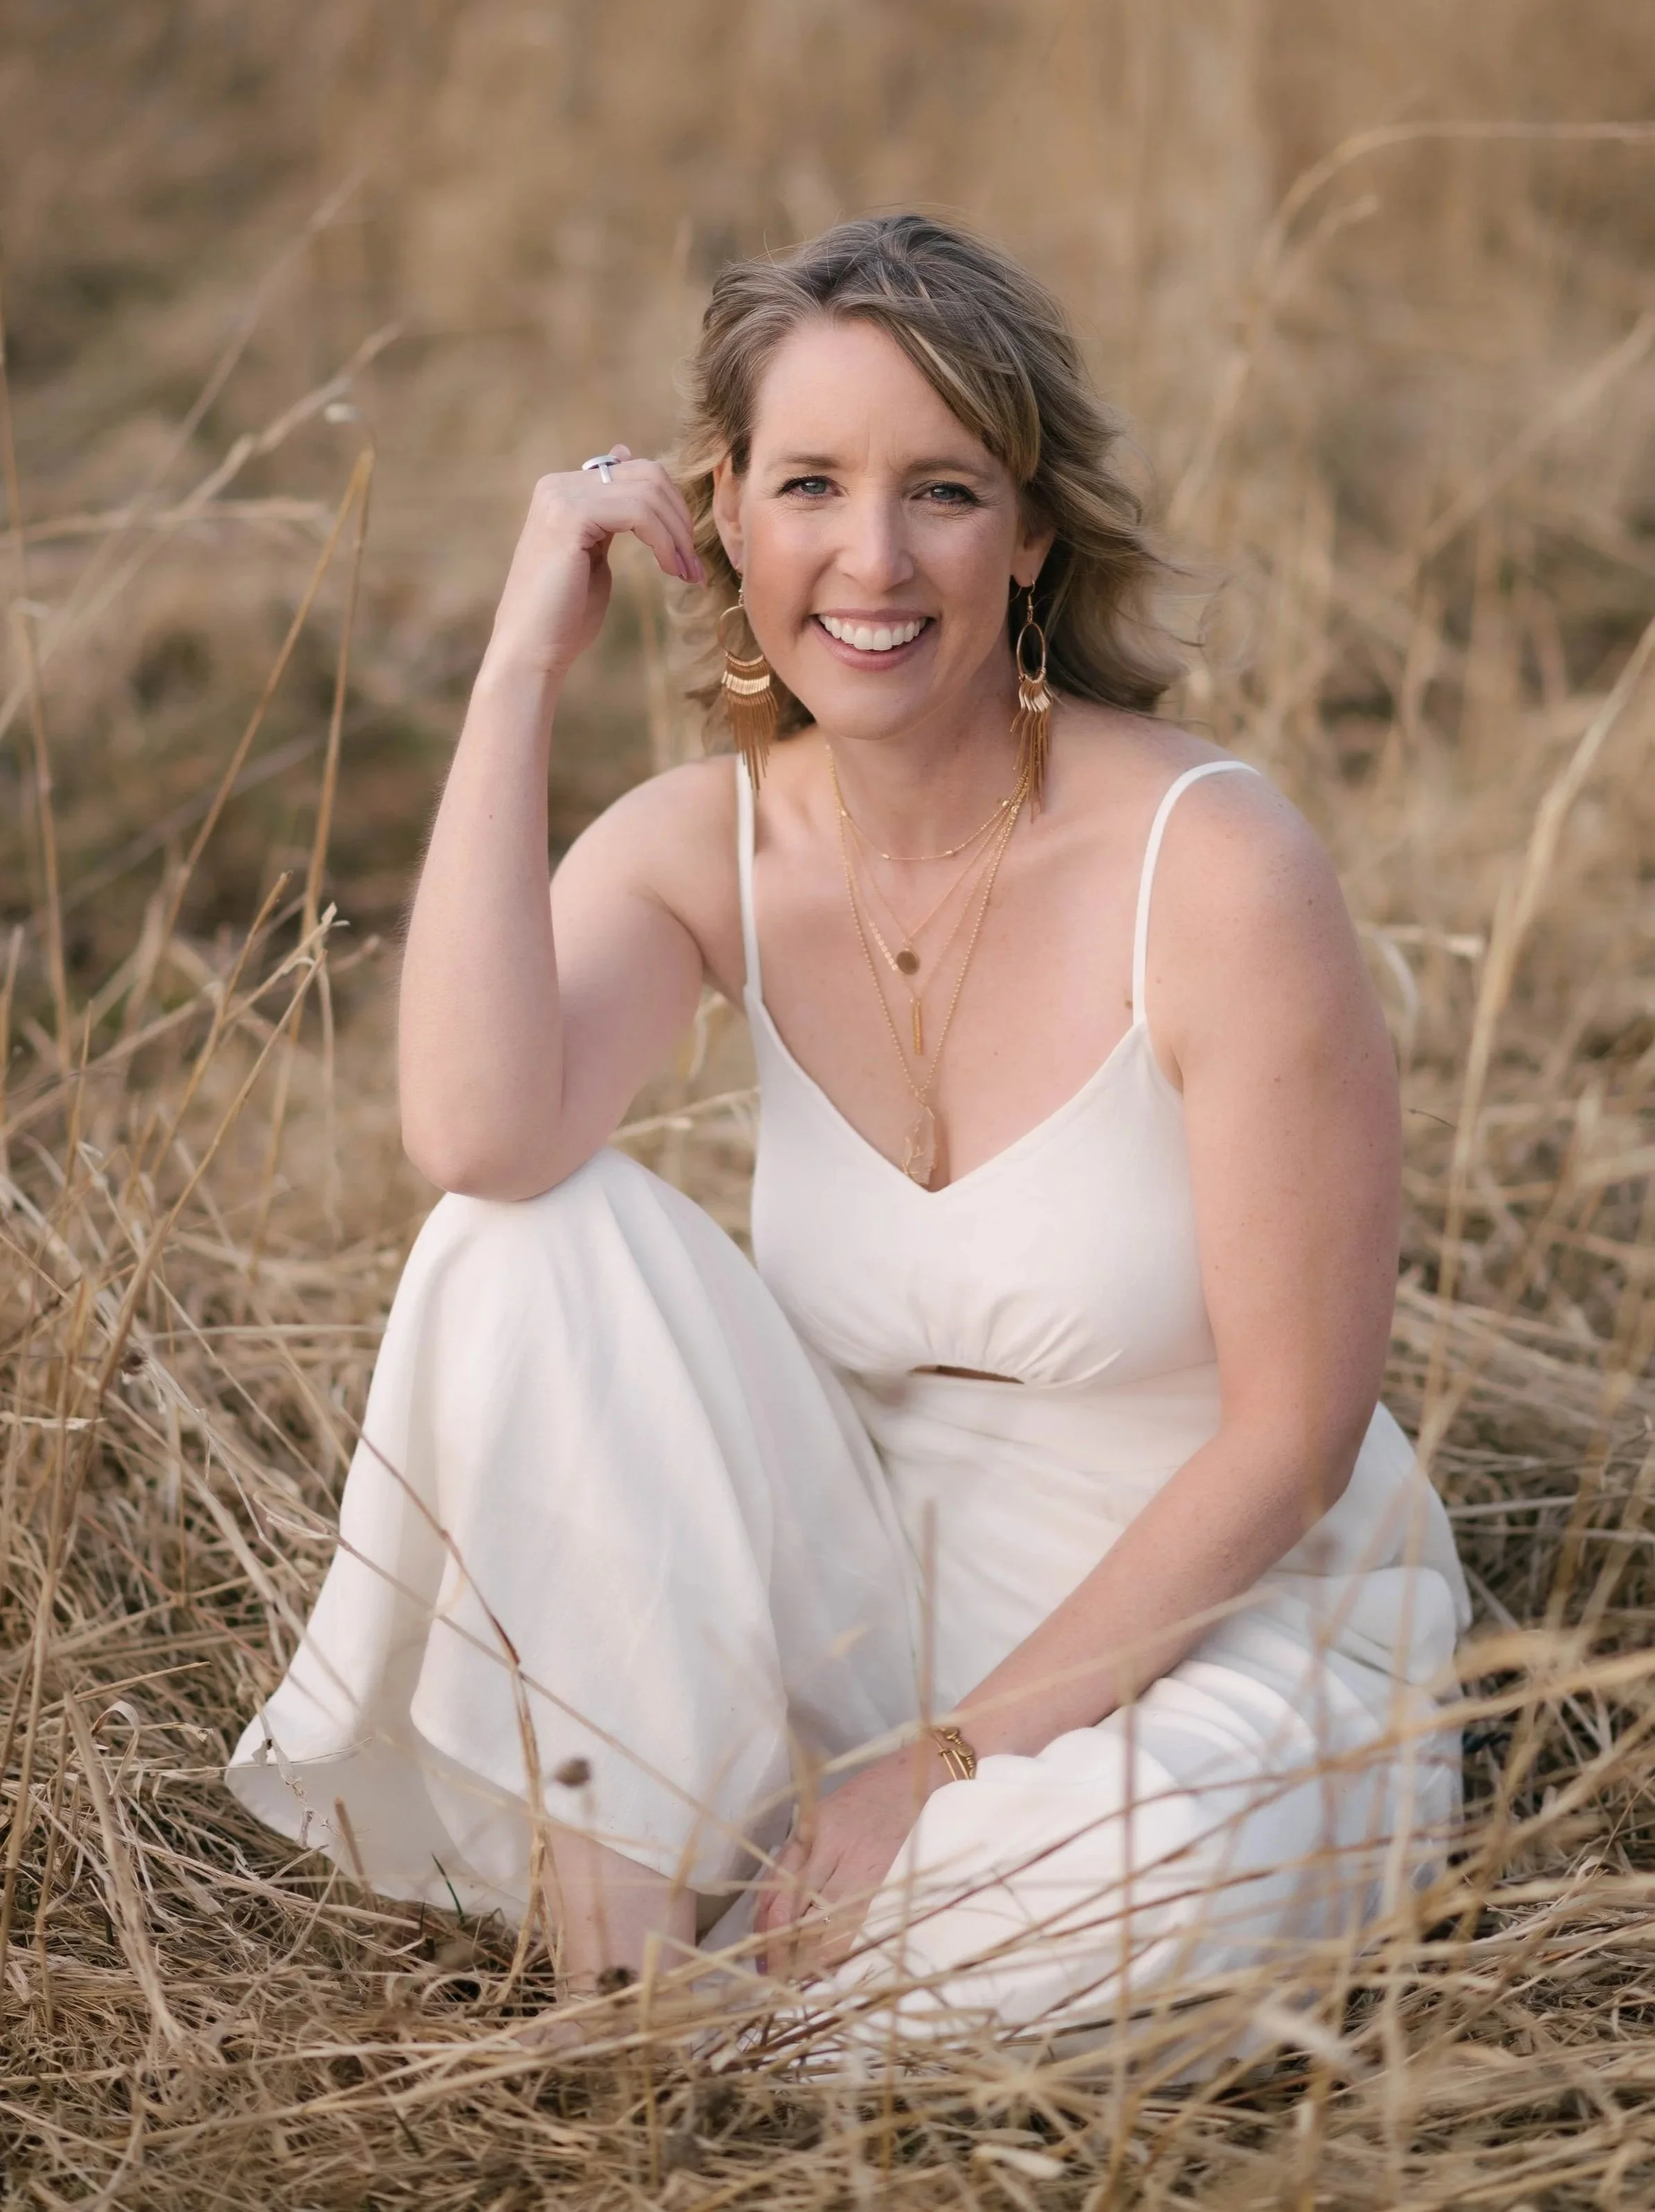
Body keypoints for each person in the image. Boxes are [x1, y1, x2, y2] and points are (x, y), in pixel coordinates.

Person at [226, 213, 1469, 2060]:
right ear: (726, 516)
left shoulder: (1213, 864)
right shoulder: (697, 840)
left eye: (944, 492)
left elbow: (1289, 1443)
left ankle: (777, 1952)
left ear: (1034, 533)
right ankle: (650, 1984)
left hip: (1209, 1614)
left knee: (1149, 1878)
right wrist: (520, 669)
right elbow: (477, 1132)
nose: (871, 560)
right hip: (863, 1567)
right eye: (809, 483)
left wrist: (935, 1768)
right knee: (519, 1237)